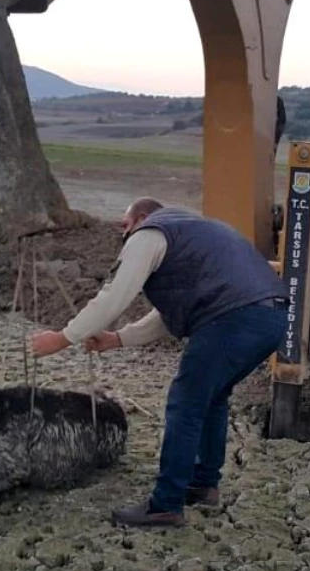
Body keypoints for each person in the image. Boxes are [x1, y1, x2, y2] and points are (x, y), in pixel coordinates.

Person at [29, 197, 289, 528]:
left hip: (233, 318)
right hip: (271, 318)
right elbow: (168, 316)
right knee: (212, 398)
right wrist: (116, 339)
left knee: (185, 403)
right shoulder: (192, 236)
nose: (124, 236)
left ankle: (165, 504)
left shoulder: (151, 232)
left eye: (125, 227)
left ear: (141, 218)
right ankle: (204, 483)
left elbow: (115, 295)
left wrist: (62, 338)